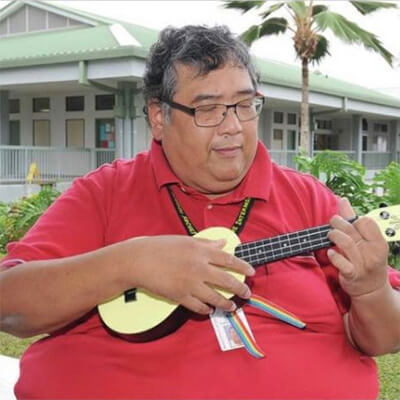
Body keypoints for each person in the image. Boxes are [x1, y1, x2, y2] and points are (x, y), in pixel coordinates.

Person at [1, 24, 400, 400]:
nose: (233, 126)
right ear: (159, 117)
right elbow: (10, 302)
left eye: (246, 105)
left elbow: (384, 338)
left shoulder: (309, 199)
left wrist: (370, 289)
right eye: (208, 110)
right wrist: (129, 263)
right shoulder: (106, 193)